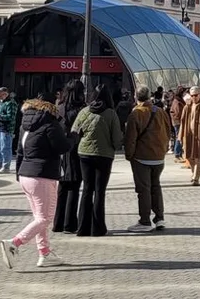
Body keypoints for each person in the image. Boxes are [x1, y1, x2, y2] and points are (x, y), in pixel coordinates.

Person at [1, 95, 71, 268]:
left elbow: (20, 151)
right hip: (43, 175)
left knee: (39, 218)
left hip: (26, 174)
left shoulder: (25, 126)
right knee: (45, 218)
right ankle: (14, 243)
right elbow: (63, 147)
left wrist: (19, 174)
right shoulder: (50, 124)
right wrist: (74, 136)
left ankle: (44, 252)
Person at [72, 87, 122, 236]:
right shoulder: (111, 113)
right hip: (104, 155)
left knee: (87, 189)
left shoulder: (84, 111)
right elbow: (117, 138)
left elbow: (75, 130)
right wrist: (115, 145)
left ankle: (83, 227)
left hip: (84, 154)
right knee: (100, 191)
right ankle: (98, 227)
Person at [123, 86, 169, 232]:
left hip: (142, 157)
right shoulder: (160, 111)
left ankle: (145, 221)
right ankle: (159, 218)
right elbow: (168, 131)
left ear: (136, 97)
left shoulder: (136, 113)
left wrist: (129, 155)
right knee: (156, 187)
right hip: (158, 156)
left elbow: (130, 138)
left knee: (143, 190)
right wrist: (164, 149)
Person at [53, 80, 87, 233]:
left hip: (61, 149)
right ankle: (69, 223)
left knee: (62, 185)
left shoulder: (59, 108)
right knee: (74, 184)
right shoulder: (82, 110)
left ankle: (58, 222)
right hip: (76, 149)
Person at [0, 88, 20, 173]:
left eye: (0, 95)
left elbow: (10, 117)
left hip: (7, 129)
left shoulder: (11, 103)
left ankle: (6, 167)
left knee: (5, 148)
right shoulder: (2, 102)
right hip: (0, 128)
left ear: (5, 94)